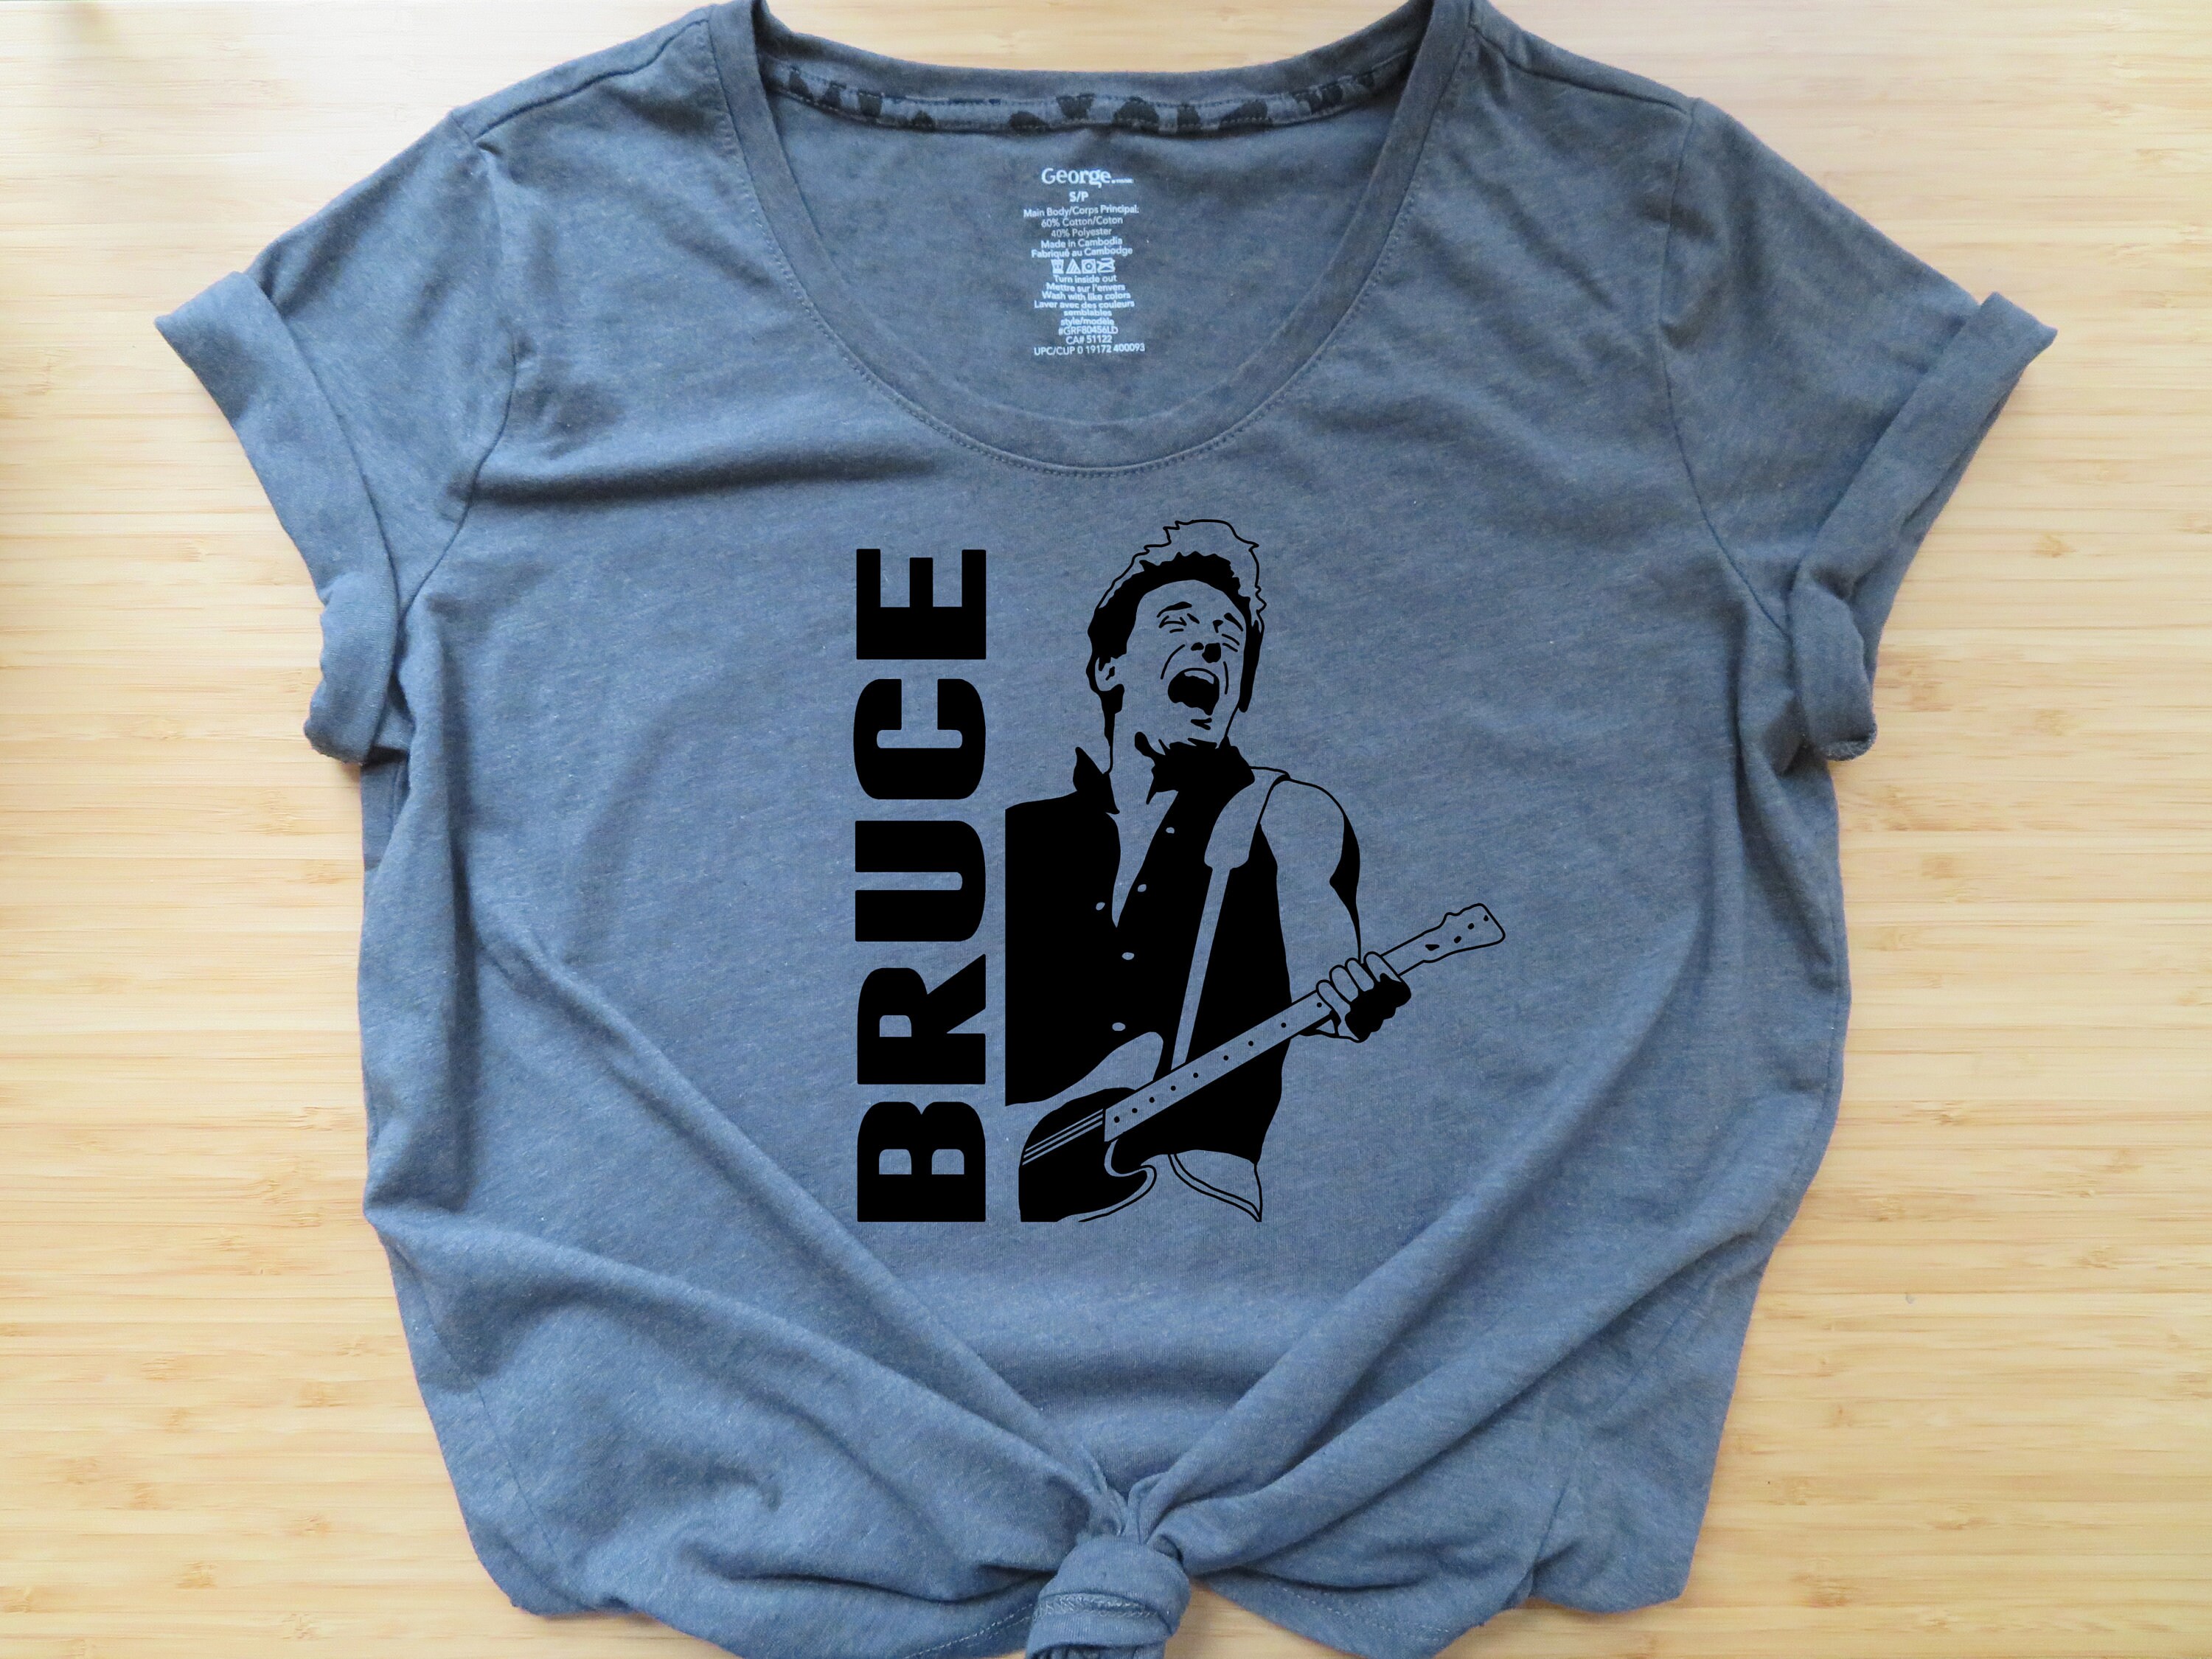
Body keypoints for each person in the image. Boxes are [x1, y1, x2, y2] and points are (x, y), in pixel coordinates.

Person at [1006, 521, 1408, 1222]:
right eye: (1177, 623)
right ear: (1109, 668)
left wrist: (1350, 997)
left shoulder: (1284, 814)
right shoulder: (1021, 836)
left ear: (1239, 690)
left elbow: (1325, 972)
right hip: (1013, 1201)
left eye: (1230, 637)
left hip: (1196, 1198)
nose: (1212, 645)